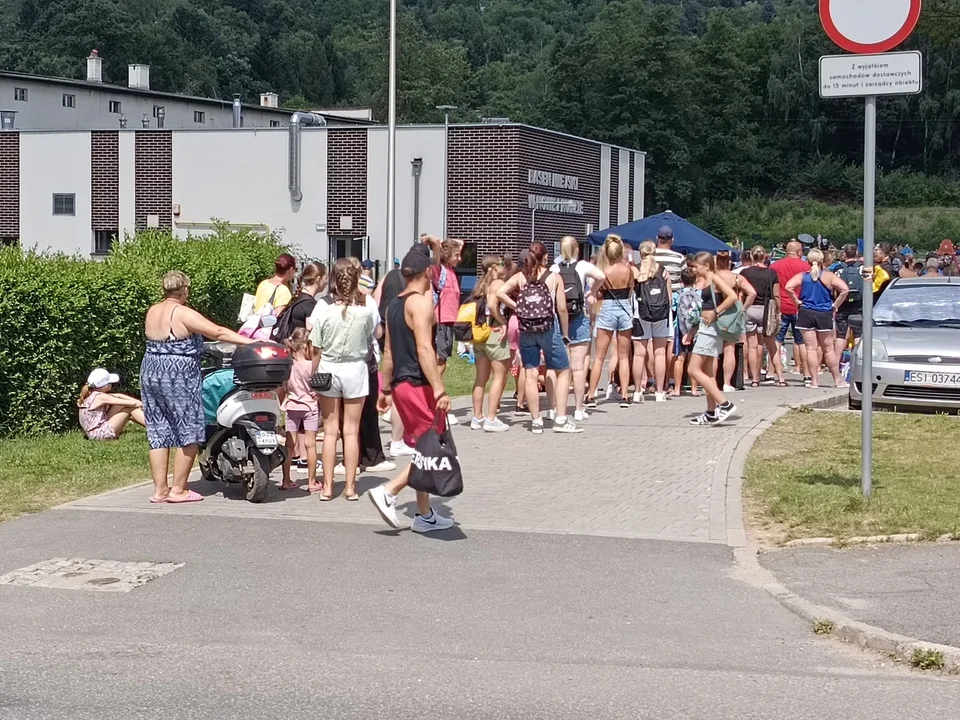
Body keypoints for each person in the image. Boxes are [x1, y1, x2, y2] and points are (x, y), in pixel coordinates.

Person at [142, 271, 252, 504]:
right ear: (184, 290)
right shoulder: (182, 313)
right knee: (188, 427)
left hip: (150, 370)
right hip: (178, 373)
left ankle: (160, 490)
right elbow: (218, 332)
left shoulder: (152, 311)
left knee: (158, 429)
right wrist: (252, 342)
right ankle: (178, 490)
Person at [368, 249, 455, 533]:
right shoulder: (420, 303)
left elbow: (389, 352)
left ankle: (424, 514)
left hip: (403, 386)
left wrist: (386, 389)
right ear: (427, 273)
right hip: (418, 385)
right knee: (431, 447)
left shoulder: (394, 304)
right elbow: (424, 348)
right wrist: (440, 389)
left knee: (422, 445)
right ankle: (389, 491)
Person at [309, 259, 378, 501]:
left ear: (335, 284)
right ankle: (350, 487)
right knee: (351, 431)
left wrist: (311, 375)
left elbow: (315, 349)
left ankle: (328, 487)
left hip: (329, 367)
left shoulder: (325, 311)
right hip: (355, 369)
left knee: (329, 431)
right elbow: (375, 334)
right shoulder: (366, 310)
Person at [496, 242, 581, 434]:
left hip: (526, 329)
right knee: (562, 370)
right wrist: (565, 334)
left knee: (531, 373)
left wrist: (517, 306)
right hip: (548, 329)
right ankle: (560, 418)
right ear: (545, 257)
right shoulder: (554, 278)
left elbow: (500, 293)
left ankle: (536, 421)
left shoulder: (520, 277)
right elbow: (561, 308)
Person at [550, 236, 606, 421]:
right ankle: (579, 408)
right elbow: (601, 276)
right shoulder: (582, 266)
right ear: (576, 249)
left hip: (559, 317)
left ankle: (554, 407)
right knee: (578, 367)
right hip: (579, 317)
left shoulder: (554, 268)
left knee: (556, 367)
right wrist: (592, 291)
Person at [686, 253, 739, 426]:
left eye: (696, 266)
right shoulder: (704, 281)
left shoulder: (715, 279)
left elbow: (732, 296)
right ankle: (710, 412)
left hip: (711, 329)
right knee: (708, 373)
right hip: (704, 327)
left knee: (693, 370)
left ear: (706, 265)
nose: (694, 269)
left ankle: (725, 404)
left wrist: (717, 312)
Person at [785, 249, 849, 389]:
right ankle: (837, 380)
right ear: (822, 261)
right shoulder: (829, 276)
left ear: (807, 261)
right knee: (828, 349)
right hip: (824, 313)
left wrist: (797, 301)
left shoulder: (803, 276)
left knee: (810, 349)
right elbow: (845, 289)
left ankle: (813, 381)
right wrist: (835, 304)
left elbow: (788, 286)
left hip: (806, 312)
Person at [585, 235, 634, 408]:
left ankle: (591, 395)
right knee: (623, 356)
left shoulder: (604, 271)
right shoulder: (628, 270)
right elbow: (630, 291)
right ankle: (625, 395)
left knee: (599, 356)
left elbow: (594, 291)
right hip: (624, 308)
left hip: (607, 307)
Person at [469, 255, 512, 432]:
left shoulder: (480, 285)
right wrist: (503, 322)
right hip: (494, 333)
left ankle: (477, 416)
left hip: (479, 334)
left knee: (481, 378)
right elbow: (494, 306)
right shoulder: (497, 284)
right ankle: (491, 418)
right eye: (501, 264)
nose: (505, 266)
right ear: (494, 267)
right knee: (499, 376)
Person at [424, 234, 463, 425]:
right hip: (441, 320)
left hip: (448, 321)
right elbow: (436, 257)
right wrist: (438, 244)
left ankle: (433, 398)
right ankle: (432, 398)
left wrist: (454, 246)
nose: (460, 258)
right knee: (439, 363)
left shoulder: (451, 270)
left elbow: (460, 245)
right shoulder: (440, 270)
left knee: (442, 362)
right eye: (457, 255)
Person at [279, 328, 320, 493]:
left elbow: (284, 386)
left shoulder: (288, 367)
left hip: (291, 406)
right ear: (305, 347)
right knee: (310, 444)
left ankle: (286, 480)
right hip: (310, 405)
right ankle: (311, 482)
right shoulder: (311, 366)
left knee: (289, 445)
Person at [633, 240, 673, 402]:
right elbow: (668, 297)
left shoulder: (635, 271)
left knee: (639, 353)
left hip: (640, 314)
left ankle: (637, 391)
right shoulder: (663, 271)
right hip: (661, 314)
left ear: (640, 253)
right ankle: (659, 392)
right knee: (660, 353)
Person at [740, 246, 785, 387]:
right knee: (772, 346)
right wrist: (778, 311)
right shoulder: (772, 273)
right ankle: (781, 378)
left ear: (752, 257)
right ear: (765, 257)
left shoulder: (745, 272)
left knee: (753, 346)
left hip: (750, 309)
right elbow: (776, 295)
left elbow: (741, 293)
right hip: (766, 310)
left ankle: (755, 379)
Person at [716, 250, 756, 393]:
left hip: (714, 313)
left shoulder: (713, 277)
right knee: (729, 349)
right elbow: (752, 293)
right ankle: (727, 383)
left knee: (713, 351)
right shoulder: (737, 278)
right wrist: (743, 309)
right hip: (732, 315)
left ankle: (712, 381)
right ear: (729, 262)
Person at [772, 240, 810, 382]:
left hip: (781, 307)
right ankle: (806, 374)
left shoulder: (775, 266)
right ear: (799, 252)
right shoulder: (806, 266)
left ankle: (772, 372)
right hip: (799, 307)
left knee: (776, 340)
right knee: (802, 342)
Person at [77, 369, 145, 440]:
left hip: (92, 434)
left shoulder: (91, 394)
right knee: (129, 409)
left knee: (119, 406)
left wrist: (138, 403)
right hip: (99, 434)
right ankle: (154, 427)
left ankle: (153, 426)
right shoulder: (101, 397)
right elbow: (133, 404)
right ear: (106, 386)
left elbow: (118, 395)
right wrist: (141, 404)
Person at [671, 266, 701, 397]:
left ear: (681, 281)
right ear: (695, 280)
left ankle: (677, 389)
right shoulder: (698, 294)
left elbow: (673, 308)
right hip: (695, 328)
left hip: (680, 328)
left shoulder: (677, 295)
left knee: (680, 358)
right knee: (693, 359)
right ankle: (694, 389)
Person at [279, 261, 326, 337]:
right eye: (326, 278)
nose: (327, 282)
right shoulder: (309, 304)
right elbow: (311, 332)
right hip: (299, 346)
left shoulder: (299, 297)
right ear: (318, 279)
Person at [833, 244, 864, 357]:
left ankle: (836, 363)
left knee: (840, 335)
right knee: (857, 333)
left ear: (844, 254)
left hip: (842, 303)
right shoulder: (862, 267)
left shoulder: (838, 268)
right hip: (859, 303)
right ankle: (858, 359)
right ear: (856, 253)